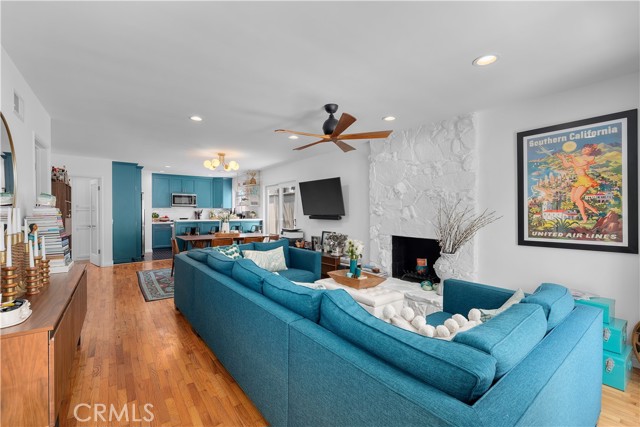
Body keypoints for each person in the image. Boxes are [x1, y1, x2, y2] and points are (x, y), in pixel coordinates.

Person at [556, 144, 601, 223]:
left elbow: (579, 164)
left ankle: (584, 216)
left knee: (577, 198)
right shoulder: (577, 158)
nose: (585, 150)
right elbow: (567, 165)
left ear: (591, 152)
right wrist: (563, 158)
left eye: (587, 150)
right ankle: (593, 209)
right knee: (573, 199)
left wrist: (573, 158)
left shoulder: (590, 157)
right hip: (579, 180)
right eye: (584, 148)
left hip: (585, 180)